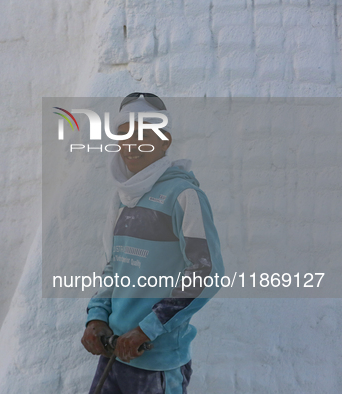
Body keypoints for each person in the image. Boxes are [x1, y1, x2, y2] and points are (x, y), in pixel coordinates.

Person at [81, 94, 224, 394]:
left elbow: (205, 273)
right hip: (114, 355)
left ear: (165, 140)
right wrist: (96, 317)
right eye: (124, 135)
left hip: (156, 362)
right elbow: (114, 268)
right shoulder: (122, 199)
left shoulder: (184, 196)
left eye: (144, 135)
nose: (132, 145)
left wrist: (147, 328)